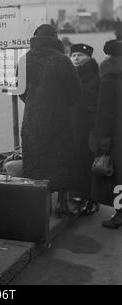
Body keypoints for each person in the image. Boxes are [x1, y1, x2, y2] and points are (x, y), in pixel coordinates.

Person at [20, 24, 81, 217]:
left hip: (32, 119)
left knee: (36, 161)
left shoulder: (24, 60)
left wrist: (33, 101)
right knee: (61, 159)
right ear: (55, 38)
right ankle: (62, 204)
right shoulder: (61, 60)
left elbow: (20, 91)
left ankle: (40, 209)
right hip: (59, 119)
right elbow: (75, 93)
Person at [90, 38, 122, 228]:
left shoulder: (110, 77)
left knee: (119, 178)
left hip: (118, 136)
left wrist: (101, 137)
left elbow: (104, 111)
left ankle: (119, 214)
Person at [70, 43, 100, 215]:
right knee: (75, 162)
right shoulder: (69, 75)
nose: (76, 58)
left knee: (89, 164)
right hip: (72, 127)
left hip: (89, 129)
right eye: (73, 55)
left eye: (80, 55)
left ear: (88, 57)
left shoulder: (96, 77)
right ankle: (78, 195)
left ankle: (91, 199)